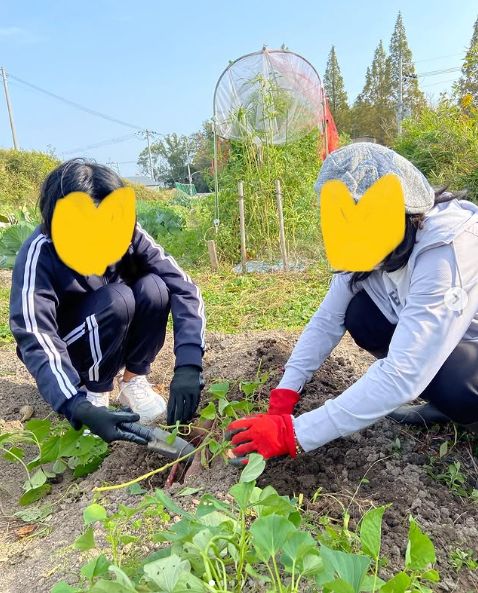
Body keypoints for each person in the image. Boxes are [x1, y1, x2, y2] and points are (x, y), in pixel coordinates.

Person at [227, 143, 478, 462]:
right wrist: (285, 394)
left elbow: (404, 372)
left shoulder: (446, 249)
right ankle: (444, 404)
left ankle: (466, 416)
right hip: (439, 340)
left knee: (454, 382)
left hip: (470, 349)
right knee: (360, 313)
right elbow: (326, 321)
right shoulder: (367, 239)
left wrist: (294, 434)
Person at [9, 159, 205, 445]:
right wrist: (76, 405)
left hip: (110, 332)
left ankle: (132, 381)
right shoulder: (40, 252)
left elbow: (184, 287)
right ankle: (94, 392)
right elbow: (35, 333)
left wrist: (189, 363)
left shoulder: (127, 233)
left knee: (155, 288)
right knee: (117, 299)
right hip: (72, 348)